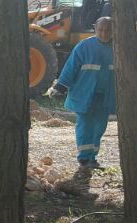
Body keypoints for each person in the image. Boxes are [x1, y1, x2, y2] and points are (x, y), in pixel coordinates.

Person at [47, 16, 115, 169]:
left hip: (104, 97)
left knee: (99, 127)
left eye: (107, 30)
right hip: (85, 95)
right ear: (95, 28)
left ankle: (92, 157)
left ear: (113, 30)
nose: (104, 33)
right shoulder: (84, 47)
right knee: (85, 126)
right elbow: (71, 67)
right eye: (101, 30)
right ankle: (84, 159)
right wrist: (60, 86)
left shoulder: (117, 48)